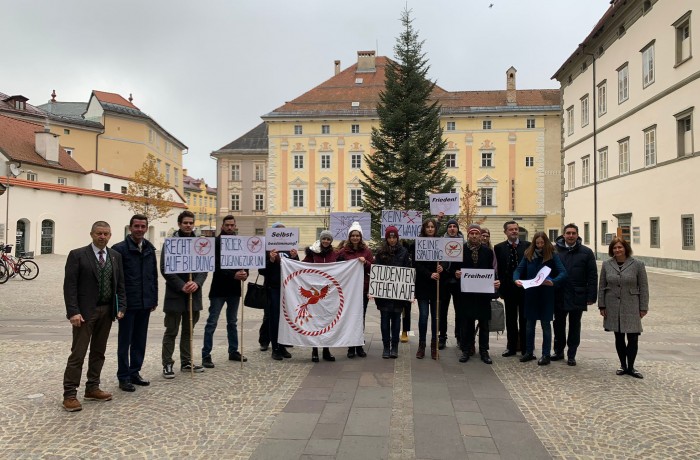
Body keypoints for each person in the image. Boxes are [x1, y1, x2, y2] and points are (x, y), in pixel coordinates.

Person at [62, 221, 127, 412]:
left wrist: (121, 306)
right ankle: (70, 394)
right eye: (99, 233)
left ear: (110, 235)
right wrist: (73, 311)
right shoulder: (78, 255)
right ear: (91, 234)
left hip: (106, 312)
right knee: (78, 353)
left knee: (98, 352)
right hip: (84, 313)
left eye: (106, 234)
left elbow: (120, 285)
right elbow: (70, 286)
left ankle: (92, 387)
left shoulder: (115, 257)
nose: (102, 237)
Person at [112, 214, 158, 392]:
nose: (139, 229)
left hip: (145, 302)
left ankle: (135, 372)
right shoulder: (119, 249)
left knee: (140, 340)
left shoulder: (149, 248)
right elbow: (116, 279)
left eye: (142, 226)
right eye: (136, 226)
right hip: (128, 304)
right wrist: (119, 304)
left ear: (146, 228)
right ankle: (123, 376)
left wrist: (153, 299)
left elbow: (153, 276)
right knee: (125, 341)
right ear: (130, 228)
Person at [161, 211, 208, 378]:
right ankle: (167, 363)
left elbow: (204, 268)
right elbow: (165, 269)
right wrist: (181, 285)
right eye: (185, 223)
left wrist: (197, 282)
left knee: (189, 330)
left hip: (193, 294)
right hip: (175, 294)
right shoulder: (170, 244)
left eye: (191, 223)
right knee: (171, 330)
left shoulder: (200, 243)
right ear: (179, 224)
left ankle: (186, 361)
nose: (188, 225)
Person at [598, 237, 649, 379]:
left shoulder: (638, 264)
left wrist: (643, 307)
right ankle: (623, 365)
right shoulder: (607, 264)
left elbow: (644, 287)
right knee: (618, 336)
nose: (617, 250)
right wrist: (601, 305)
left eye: (620, 247)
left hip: (632, 304)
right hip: (612, 304)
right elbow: (602, 286)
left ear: (626, 248)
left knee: (633, 337)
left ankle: (631, 367)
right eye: (614, 248)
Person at [201, 215, 248, 369]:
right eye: (227, 225)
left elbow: (245, 260)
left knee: (232, 322)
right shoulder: (216, 242)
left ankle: (233, 350)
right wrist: (232, 275)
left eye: (232, 225)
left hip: (234, 289)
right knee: (212, 322)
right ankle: (206, 354)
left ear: (235, 226)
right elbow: (215, 264)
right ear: (222, 226)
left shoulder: (239, 242)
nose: (229, 228)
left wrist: (245, 273)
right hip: (219, 288)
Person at [514, 232, 567, 366]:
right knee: (529, 325)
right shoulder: (528, 254)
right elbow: (518, 270)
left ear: (546, 243)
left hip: (546, 294)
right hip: (531, 293)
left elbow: (563, 272)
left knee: (545, 325)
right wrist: (516, 280)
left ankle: (546, 355)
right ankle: (529, 352)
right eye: (537, 243)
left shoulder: (552, 255)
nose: (540, 246)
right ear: (534, 243)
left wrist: (553, 281)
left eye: (542, 243)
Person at [453, 224, 500, 364]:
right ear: (468, 235)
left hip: (482, 294)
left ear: (480, 236)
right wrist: (456, 273)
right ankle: (466, 350)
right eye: (472, 234)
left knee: (484, 324)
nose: (474, 236)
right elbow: (454, 268)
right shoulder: (460, 250)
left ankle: (484, 351)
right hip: (466, 293)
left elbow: (493, 270)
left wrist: (496, 281)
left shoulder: (487, 251)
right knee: (466, 323)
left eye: (477, 234)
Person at [553, 224, 597, 366]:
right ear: (563, 235)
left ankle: (572, 354)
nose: (571, 236)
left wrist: (591, 296)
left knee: (574, 326)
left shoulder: (586, 252)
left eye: (573, 233)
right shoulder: (555, 251)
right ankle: (558, 351)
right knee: (558, 325)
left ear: (577, 235)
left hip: (577, 294)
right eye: (568, 233)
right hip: (559, 294)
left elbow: (592, 276)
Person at [259, 222, 299, 361]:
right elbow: (261, 270)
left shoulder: (290, 249)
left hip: (287, 289)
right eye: (278, 233)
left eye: (284, 233)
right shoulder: (267, 249)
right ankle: (275, 348)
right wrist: (270, 260)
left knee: (285, 319)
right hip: (273, 288)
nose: (281, 236)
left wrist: (295, 257)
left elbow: (297, 268)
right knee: (274, 318)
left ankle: (282, 345)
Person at [337, 221, 374, 359]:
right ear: (349, 237)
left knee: (360, 317)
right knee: (349, 316)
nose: (355, 238)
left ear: (361, 237)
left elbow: (373, 268)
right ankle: (350, 346)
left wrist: (366, 262)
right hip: (348, 290)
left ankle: (359, 344)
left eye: (357, 235)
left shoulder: (367, 251)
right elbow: (336, 267)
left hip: (362, 289)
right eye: (353, 235)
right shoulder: (343, 252)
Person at [494, 221, 530, 357]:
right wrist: (500, 288)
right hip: (508, 289)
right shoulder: (499, 248)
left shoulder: (527, 246)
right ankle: (511, 346)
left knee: (524, 319)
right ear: (506, 232)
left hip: (524, 288)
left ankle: (526, 347)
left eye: (516, 229)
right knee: (510, 319)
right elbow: (498, 269)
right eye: (511, 230)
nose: (514, 231)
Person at [374, 226, 411, 359]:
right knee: (384, 321)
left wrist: (408, 292)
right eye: (389, 237)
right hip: (384, 294)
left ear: (397, 238)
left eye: (394, 237)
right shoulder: (380, 252)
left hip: (398, 294)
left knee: (396, 320)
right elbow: (376, 271)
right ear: (386, 238)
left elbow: (408, 271)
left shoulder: (404, 252)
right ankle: (386, 346)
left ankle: (394, 347)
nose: (392, 239)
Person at [302, 230, 338, 362]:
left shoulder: (335, 254)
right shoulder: (312, 252)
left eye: (328, 239)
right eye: (324, 239)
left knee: (328, 321)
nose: (326, 241)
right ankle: (315, 350)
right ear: (321, 239)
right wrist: (292, 260)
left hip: (328, 293)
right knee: (315, 321)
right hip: (315, 293)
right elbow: (302, 265)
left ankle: (326, 350)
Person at [411, 218, 444, 359]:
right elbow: (416, 264)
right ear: (424, 229)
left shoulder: (441, 243)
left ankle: (434, 345)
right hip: (424, 285)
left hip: (437, 287)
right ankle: (422, 344)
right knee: (424, 316)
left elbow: (448, 259)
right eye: (428, 227)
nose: (430, 229)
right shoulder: (418, 243)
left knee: (435, 318)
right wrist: (429, 274)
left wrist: (442, 267)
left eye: (432, 227)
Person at [439, 218, 464, 349]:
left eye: (455, 226)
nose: (452, 228)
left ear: (458, 229)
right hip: (444, 281)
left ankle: (459, 336)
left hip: (459, 282)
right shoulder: (441, 242)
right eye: (450, 226)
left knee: (459, 310)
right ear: (447, 229)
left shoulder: (463, 244)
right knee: (442, 311)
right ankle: (442, 336)